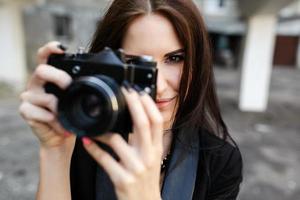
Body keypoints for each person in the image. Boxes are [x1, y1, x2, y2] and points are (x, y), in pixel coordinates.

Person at [19, 0, 243, 199]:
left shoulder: (220, 162)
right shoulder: (80, 140)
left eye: (175, 58)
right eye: (136, 63)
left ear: (197, 61)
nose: (159, 86)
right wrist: (55, 151)